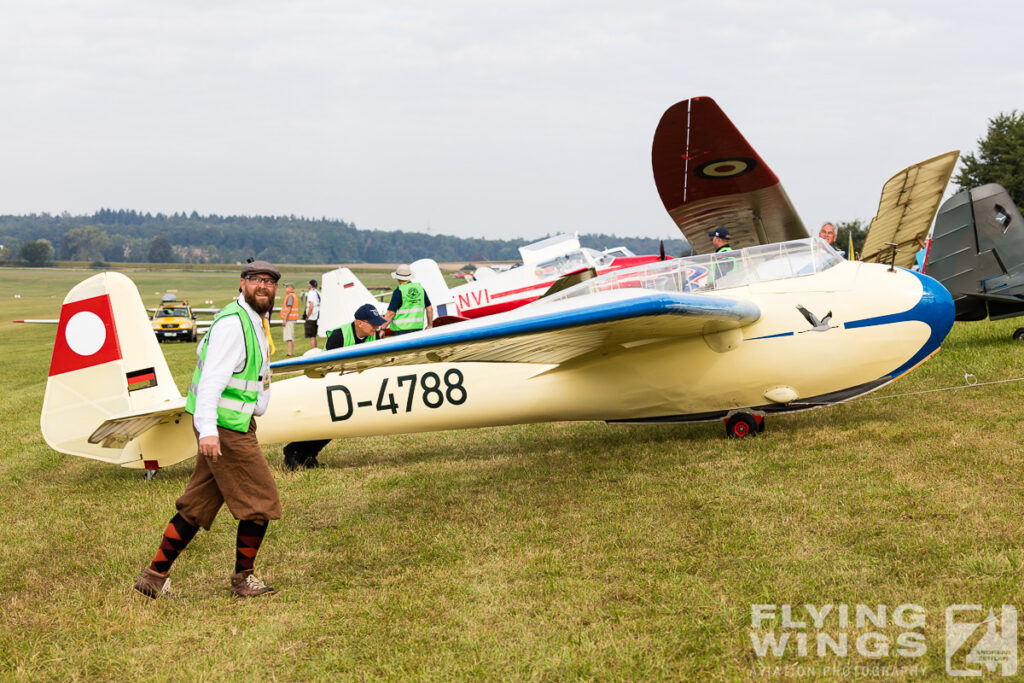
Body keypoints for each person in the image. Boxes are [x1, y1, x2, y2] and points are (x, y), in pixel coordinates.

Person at [133, 260, 282, 599]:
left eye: (269, 282)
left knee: (197, 505)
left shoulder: (250, 319)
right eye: (255, 280)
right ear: (242, 284)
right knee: (261, 501)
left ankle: (153, 577)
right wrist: (210, 430)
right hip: (226, 429)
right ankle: (243, 580)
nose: (263, 286)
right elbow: (212, 380)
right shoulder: (235, 323)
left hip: (229, 424)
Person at [282, 303, 386, 470]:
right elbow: (327, 366)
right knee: (327, 421)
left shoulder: (374, 337)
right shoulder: (339, 335)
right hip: (326, 383)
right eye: (372, 323)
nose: (376, 326)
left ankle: (309, 455)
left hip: (350, 385)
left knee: (338, 425)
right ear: (360, 323)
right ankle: (294, 450)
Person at [384, 264, 433, 335]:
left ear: (398, 278)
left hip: (401, 330)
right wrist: (430, 325)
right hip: (418, 329)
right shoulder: (420, 289)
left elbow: (390, 313)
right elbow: (430, 309)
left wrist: (383, 328)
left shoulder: (399, 291)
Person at [279, 283, 300, 356]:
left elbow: (289, 308)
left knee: (289, 337)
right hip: (291, 319)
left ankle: (290, 353)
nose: (285, 289)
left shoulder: (290, 296)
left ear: (292, 289)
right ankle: (291, 352)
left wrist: (285, 319)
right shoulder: (292, 295)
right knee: (290, 336)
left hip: (289, 319)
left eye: (287, 287)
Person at [304, 279, 321, 349]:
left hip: (312, 316)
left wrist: (307, 316)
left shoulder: (311, 293)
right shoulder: (318, 292)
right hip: (318, 315)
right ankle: (316, 349)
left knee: (311, 336)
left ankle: (314, 350)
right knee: (314, 335)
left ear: (310, 285)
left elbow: (311, 305)